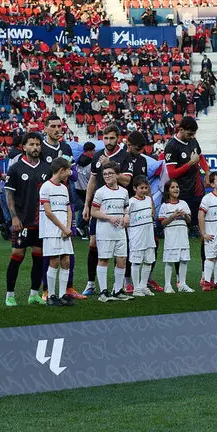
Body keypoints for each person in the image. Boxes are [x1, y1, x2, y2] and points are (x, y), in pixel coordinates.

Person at [81, 125, 132, 296]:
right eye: (106, 138)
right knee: (93, 245)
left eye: (112, 138)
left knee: (121, 253)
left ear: (118, 138)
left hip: (118, 207)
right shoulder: (97, 155)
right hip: (99, 206)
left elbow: (127, 182)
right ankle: (91, 283)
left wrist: (109, 166)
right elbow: (92, 181)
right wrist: (86, 205)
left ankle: (119, 287)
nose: (108, 142)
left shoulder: (125, 156)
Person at [39, 115, 84, 300]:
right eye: (54, 126)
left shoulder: (65, 148)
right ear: (46, 128)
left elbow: (73, 175)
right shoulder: (40, 148)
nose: (58, 129)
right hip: (47, 200)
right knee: (48, 252)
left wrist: (68, 171)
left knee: (68, 248)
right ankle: (46, 290)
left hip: (65, 199)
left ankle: (68, 288)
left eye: (60, 126)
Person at [4, 132, 48, 307]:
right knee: (17, 255)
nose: (35, 147)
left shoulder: (46, 168)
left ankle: (34, 294)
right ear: (24, 147)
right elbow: (9, 194)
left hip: (41, 221)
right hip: (22, 220)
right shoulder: (15, 168)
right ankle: (9, 295)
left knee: (38, 257)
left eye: (38, 144)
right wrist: (14, 217)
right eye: (32, 144)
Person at [90, 164, 131, 302]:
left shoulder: (124, 192)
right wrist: (109, 217)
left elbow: (126, 208)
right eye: (105, 174)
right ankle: (103, 292)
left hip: (120, 231)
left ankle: (118, 290)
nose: (107, 176)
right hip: (105, 230)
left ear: (117, 175)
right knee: (104, 259)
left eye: (110, 173)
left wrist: (126, 216)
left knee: (121, 260)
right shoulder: (100, 192)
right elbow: (93, 212)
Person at [39, 158, 75, 307]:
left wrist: (67, 227)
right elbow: (48, 212)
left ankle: (62, 295)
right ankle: (51, 295)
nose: (69, 174)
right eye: (68, 171)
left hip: (63, 230)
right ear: (61, 170)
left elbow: (68, 209)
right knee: (53, 261)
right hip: (51, 230)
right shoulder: (45, 187)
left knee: (66, 260)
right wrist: (63, 228)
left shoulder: (64, 188)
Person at [158, 180, 193, 293]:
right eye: (173, 187)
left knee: (184, 260)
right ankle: (167, 285)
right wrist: (173, 216)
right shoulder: (165, 206)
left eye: (177, 187)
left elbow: (189, 220)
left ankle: (182, 284)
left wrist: (185, 215)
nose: (176, 189)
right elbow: (162, 223)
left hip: (182, 236)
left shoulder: (183, 203)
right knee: (169, 260)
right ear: (168, 191)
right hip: (171, 237)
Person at [127, 176, 157, 297]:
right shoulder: (131, 202)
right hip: (136, 236)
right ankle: (136, 288)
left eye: (146, 187)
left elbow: (152, 214)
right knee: (136, 262)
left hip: (149, 235)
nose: (144, 190)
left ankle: (143, 286)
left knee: (148, 261)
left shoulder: (149, 200)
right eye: (141, 188)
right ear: (135, 188)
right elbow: (126, 217)